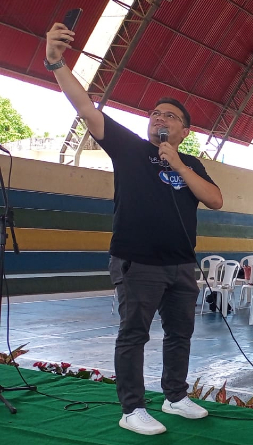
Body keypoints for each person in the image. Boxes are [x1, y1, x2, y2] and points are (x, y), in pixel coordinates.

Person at [46, 22, 223, 435]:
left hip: (180, 265)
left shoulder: (191, 164)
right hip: (137, 263)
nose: (159, 119)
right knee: (134, 334)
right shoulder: (131, 149)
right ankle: (132, 409)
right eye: (156, 114)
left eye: (170, 116)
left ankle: (176, 397)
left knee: (180, 334)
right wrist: (57, 63)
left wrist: (179, 165)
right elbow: (87, 110)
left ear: (185, 131)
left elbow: (214, 199)